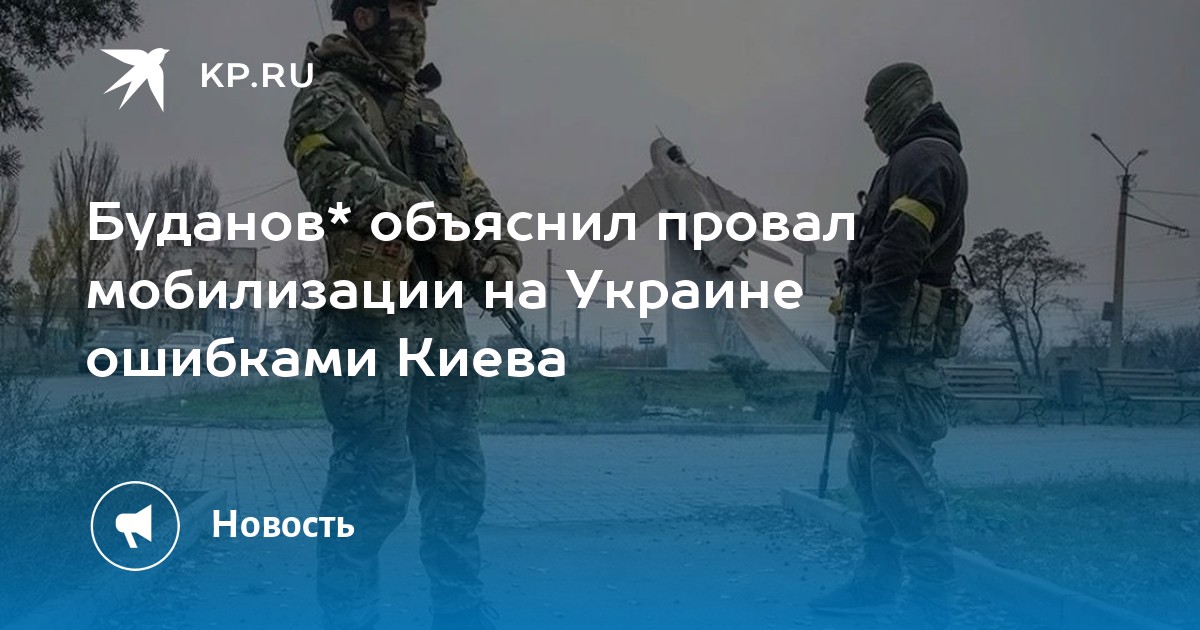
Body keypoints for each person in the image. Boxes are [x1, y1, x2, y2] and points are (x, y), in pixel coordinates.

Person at [284, 1, 522, 628]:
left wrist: (498, 251)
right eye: (405, 7)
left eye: (422, 9)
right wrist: (424, 218)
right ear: (363, 15)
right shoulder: (328, 96)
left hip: (440, 318)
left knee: (456, 476)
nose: (417, 22)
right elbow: (328, 179)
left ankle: (462, 612)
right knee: (370, 486)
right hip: (369, 322)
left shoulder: (429, 112)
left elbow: (471, 189)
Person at [808, 62, 969, 629]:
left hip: (897, 347)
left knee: (902, 474)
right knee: (871, 466)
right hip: (883, 346)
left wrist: (872, 329)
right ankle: (877, 582)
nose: (868, 122)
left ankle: (931, 604)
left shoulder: (924, 156)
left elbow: (902, 247)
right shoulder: (906, 159)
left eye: (874, 110)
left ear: (900, 103)